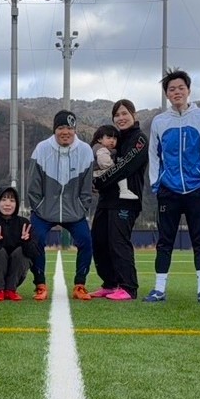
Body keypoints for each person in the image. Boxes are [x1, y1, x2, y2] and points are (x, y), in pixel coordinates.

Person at [145, 69, 200, 303]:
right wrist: (156, 183)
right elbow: (154, 154)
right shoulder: (159, 121)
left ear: (188, 90)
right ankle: (159, 289)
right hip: (168, 190)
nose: (176, 92)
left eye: (181, 88)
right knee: (164, 241)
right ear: (166, 94)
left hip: (197, 189)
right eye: (171, 89)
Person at [28, 110, 95, 301]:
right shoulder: (42, 149)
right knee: (35, 240)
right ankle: (40, 285)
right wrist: (39, 206)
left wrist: (81, 207)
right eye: (60, 127)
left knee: (86, 241)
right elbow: (33, 184)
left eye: (69, 128)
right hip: (44, 212)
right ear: (54, 129)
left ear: (75, 129)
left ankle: (80, 285)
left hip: (74, 212)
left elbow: (86, 187)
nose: (65, 132)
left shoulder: (85, 150)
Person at [91, 100, 148, 301]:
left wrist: (99, 182)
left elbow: (124, 168)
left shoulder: (139, 139)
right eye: (117, 115)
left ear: (134, 115)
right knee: (99, 239)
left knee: (118, 241)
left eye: (125, 113)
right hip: (107, 199)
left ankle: (128, 287)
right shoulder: (115, 139)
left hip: (126, 200)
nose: (121, 118)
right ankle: (110, 283)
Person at [92, 125, 138, 200]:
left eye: (114, 138)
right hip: (97, 173)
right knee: (120, 172)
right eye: (108, 138)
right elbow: (105, 163)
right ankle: (124, 191)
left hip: (97, 174)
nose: (112, 141)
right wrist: (115, 167)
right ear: (99, 139)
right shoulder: (101, 149)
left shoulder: (103, 149)